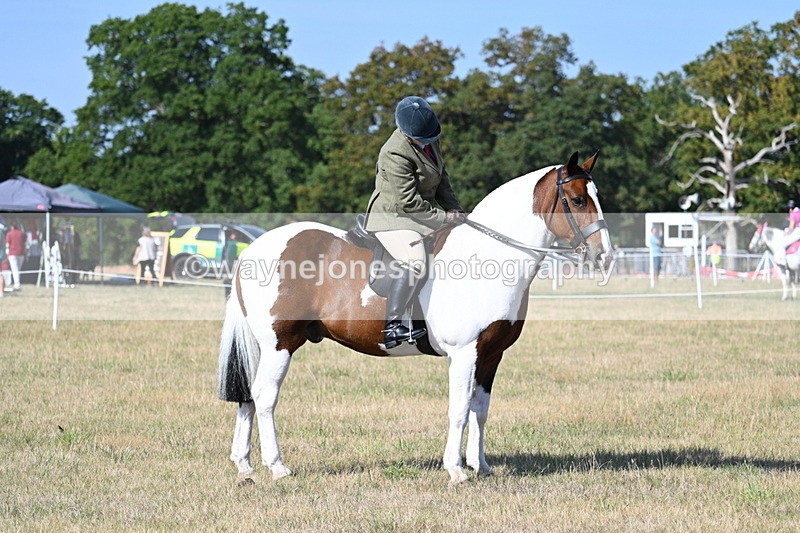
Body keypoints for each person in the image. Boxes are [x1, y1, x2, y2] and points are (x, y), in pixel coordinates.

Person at [365, 95, 467, 349]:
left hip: (419, 212)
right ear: (408, 134)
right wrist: (444, 219)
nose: (428, 143)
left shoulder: (430, 139)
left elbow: (442, 179)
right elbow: (407, 202)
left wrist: (456, 209)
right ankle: (393, 326)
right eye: (422, 140)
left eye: (431, 138)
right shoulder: (394, 152)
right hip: (393, 216)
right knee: (415, 261)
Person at [5, 222, 26, 290]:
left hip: (12, 253)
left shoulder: (9, 234)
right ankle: (17, 282)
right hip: (21, 253)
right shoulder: (21, 233)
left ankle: (17, 283)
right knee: (18, 269)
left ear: (12, 227)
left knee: (15, 269)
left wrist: (7, 254)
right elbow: (24, 243)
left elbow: (7, 245)